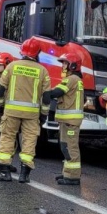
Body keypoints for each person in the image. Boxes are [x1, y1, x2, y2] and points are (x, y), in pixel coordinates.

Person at [0, 37, 51, 184]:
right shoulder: (43, 71)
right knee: (29, 141)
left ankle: (4, 172)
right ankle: (24, 175)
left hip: (11, 112)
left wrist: (0, 106)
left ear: (22, 52)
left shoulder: (12, 66)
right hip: (31, 114)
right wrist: (44, 114)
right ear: (37, 53)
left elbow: (0, 89)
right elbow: (46, 96)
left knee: (7, 138)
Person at [42, 52, 84, 186]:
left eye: (65, 63)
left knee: (70, 147)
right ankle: (68, 172)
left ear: (73, 65)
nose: (63, 66)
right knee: (65, 146)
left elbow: (56, 93)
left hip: (70, 121)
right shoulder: (75, 80)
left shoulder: (71, 79)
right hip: (68, 121)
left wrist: (42, 91)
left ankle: (72, 176)